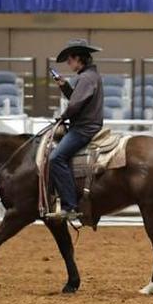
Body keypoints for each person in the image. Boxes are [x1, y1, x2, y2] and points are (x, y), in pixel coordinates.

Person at [45, 38, 105, 221]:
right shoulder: (89, 76)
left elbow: (75, 105)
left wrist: (62, 117)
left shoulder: (86, 78)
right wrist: (64, 86)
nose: (69, 63)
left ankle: (70, 205)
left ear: (79, 59)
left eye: (70, 60)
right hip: (87, 125)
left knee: (56, 158)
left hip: (84, 128)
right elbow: (77, 99)